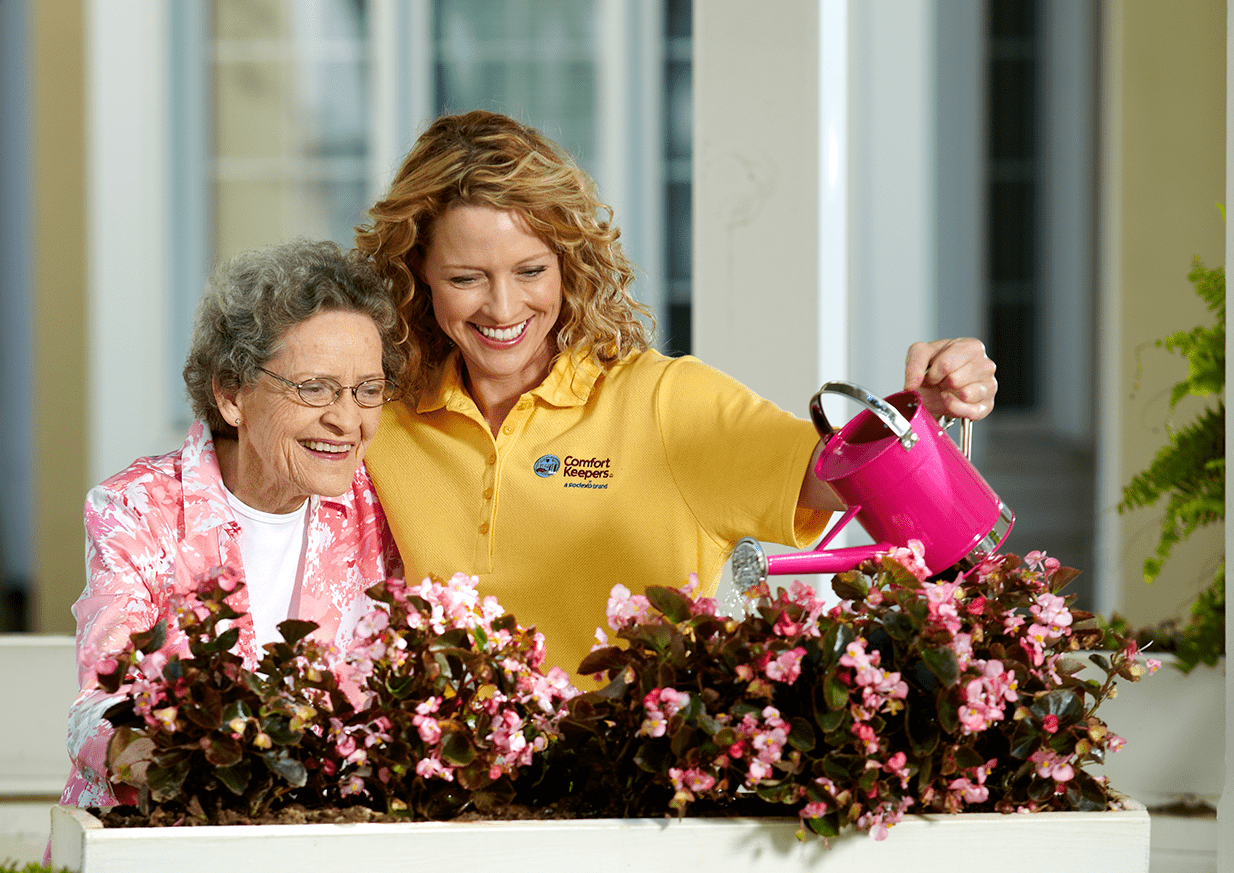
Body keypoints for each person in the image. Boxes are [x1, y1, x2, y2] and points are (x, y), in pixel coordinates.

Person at [354, 110, 997, 681]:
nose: (502, 306)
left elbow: (864, 482)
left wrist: (932, 412)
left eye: (530, 271)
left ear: (570, 266)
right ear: (417, 278)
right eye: (466, 277)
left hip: (633, 804)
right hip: (443, 805)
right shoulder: (376, 418)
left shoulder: (665, 403)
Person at [57, 239, 404, 809]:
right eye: (314, 388)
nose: (346, 419)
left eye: (367, 390)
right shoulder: (139, 508)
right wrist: (165, 764)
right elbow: (99, 702)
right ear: (231, 394)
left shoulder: (382, 508)